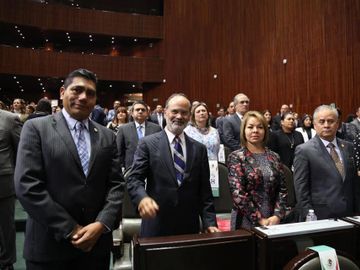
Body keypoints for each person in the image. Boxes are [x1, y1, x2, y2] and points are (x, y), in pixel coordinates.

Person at [14, 68, 124, 270]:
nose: (83, 97)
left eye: (90, 93)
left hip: (95, 249)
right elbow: (27, 186)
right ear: (63, 92)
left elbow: (116, 185)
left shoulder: (107, 136)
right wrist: (72, 229)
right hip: (49, 248)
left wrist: (101, 225)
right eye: (77, 90)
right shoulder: (36, 128)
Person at [127, 93, 220, 237]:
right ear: (165, 113)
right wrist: (142, 198)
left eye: (184, 113)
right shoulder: (147, 144)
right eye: (175, 111)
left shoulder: (199, 149)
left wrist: (210, 223)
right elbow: (134, 179)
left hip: (189, 227)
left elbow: (205, 192)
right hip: (156, 224)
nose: (179, 116)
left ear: (189, 116)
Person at [294, 105, 360, 221]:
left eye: (330, 121)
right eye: (322, 121)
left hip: (349, 214)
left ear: (337, 124)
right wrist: (308, 215)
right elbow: (301, 188)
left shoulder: (348, 147)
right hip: (320, 216)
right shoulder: (304, 150)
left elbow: (353, 182)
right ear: (315, 125)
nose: (326, 125)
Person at [227, 111, 288, 230]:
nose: (255, 130)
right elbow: (238, 194)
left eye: (260, 127)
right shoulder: (236, 157)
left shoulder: (274, 156)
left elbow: (283, 189)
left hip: (273, 220)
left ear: (265, 131)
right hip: (246, 220)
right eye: (250, 127)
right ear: (244, 131)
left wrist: (277, 215)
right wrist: (259, 219)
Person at [0, 109, 22, 270]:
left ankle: (7, 263)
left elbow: (21, 151)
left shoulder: (9, 119)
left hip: (3, 183)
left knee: (5, 227)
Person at [116, 101, 161, 171]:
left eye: (143, 110)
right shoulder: (123, 129)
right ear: (132, 113)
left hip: (152, 169)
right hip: (130, 169)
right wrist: (121, 167)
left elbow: (160, 150)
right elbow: (119, 151)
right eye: (137, 110)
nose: (140, 111)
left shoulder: (156, 128)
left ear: (147, 113)